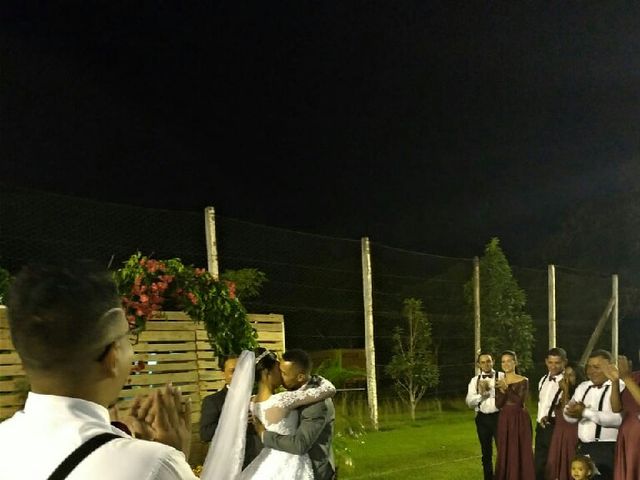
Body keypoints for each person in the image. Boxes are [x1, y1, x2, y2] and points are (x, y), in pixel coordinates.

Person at [0, 262, 197, 480]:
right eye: (126, 338)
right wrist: (171, 460)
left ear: (23, 358)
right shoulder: (153, 464)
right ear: (112, 356)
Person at [201, 347, 336, 479]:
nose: (282, 377)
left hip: (272, 461)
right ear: (268, 373)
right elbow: (327, 390)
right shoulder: (282, 399)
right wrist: (325, 384)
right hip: (286, 462)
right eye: (280, 371)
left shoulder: (252, 402)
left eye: (284, 373)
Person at [257, 348, 337, 480]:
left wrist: (263, 434)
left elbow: (300, 444)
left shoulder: (317, 404)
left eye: (283, 373)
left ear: (300, 377)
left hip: (313, 471)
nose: (279, 376)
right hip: (286, 468)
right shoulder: (290, 394)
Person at [564, 350, 624, 480]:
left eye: (596, 367)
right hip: (583, 448)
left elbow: (618, 419)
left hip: (607, 449)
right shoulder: (583, 387)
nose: (590, 371)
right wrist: (572, 413)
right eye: (588, 367)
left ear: (610, 367)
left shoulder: (620, 386)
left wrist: (585, 412)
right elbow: (568, 415)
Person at [200, 354, 261, 468]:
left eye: (241, 370)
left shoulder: (257, 397)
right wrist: (235, 421)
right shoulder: (213, 401)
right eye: (233, 371)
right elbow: (205, 434)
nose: (238, 375)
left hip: (258, 460)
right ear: (223, 374)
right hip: (229, 465)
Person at [494, 349, 535, 480]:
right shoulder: (500, 380)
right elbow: (498, 404)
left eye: (508, 361)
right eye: (503, 362)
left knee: (519, 450)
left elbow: (519, 402)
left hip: (519, 419)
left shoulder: (523, 380)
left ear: (515, 362)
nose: (505, 364)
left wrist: (507, 389)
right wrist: (500, 391)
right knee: (505, 450)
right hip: (504, 419)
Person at [465, 351, 504, 480]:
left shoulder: (502, 376)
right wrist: (481, 396)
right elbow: (469, 402)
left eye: (488, 361)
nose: (486, 364)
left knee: (503, 451)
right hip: (482, 418)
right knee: (486, 453)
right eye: (482, 362)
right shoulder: (474, 380)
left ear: (493, 361)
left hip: (500, 417)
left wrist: (493, 392)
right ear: (478, 365)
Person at [546, 361, 585, 480]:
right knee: (554, 465)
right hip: (558, 435)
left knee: (569, 465)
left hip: (571, 435)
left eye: (571, 375)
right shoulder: (561, 392)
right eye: (565, 375)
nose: (567, 379)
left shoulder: (580, 393)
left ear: (577, 376)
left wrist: (566, 390)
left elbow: (566, 413)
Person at [535, 347, 568, 480]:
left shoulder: (567, 381)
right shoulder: (543, 379)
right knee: (539, 464)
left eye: (557, 363)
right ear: (546, 362)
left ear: (564, 362)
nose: (553, 366)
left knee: (553, 465)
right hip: (541, 427)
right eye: (550, 362)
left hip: (556, 427)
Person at [607, 355, 640, 480]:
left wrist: (626, 377)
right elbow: (616, 407)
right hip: (628, 435)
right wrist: (615, 381)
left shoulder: (629, 378)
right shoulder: (634, 376)